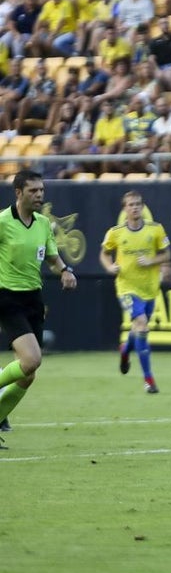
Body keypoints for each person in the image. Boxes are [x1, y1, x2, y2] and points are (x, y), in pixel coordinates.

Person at [0, 170, 78, 442]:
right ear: (18, 193)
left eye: (42, 191)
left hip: (33, 298)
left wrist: (65, 271)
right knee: (32, 359)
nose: (40, 196)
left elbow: (53, 258)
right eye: (33, 191)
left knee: (28, 374)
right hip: (7, 298)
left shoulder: (44, 223)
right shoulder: (2, 221)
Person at [99, 191, 171, 394]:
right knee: (141, 324)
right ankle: (149, 379)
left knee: (139, 328)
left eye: (138, 204)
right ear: (125, 209)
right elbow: (104, 253)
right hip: (126, 288)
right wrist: (109, 267)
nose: (135, 207)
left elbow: (167, 254)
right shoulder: (115, 233)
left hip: (149, 288)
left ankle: (125, 350)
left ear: (142, 206)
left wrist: (152, 261)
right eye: (131, 205)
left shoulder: (155, 230)